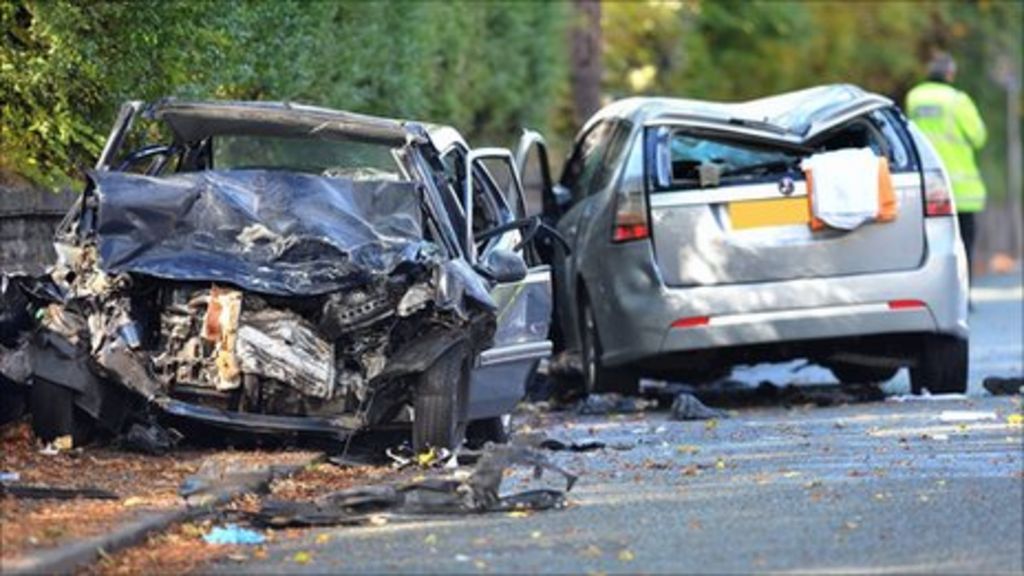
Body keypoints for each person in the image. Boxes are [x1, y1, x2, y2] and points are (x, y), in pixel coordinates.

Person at [906, 52, 988, 286]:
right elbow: (978, 136)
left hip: (926, 184)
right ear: (950, 74)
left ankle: (935, 292)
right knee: (963, 244)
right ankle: (964, 293)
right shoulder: (957, 100)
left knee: (933, 243)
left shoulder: (914, 98)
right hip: (960, 188)